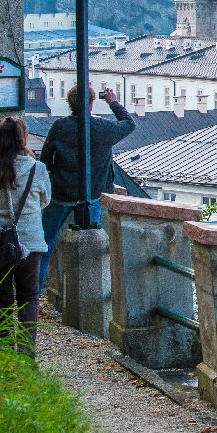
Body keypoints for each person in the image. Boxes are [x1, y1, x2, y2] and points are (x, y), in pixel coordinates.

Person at [37, 84, 137, 289]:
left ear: (69, 104)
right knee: (93, 245)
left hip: (61, 193)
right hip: (93, 193)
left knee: (43, 245)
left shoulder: (60, 127)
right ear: (92, 103)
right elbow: (129, 124)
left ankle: (33, 292)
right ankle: (93, 289)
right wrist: (113, 103)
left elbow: (45, 160)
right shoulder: (103, 128)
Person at [0, 116, 50, 357]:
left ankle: (6, 350)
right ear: (23, 139)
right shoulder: (36, 168)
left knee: (3, 297)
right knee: (29, 297)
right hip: (29, 241)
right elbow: (45, 200)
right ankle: (27, 354)